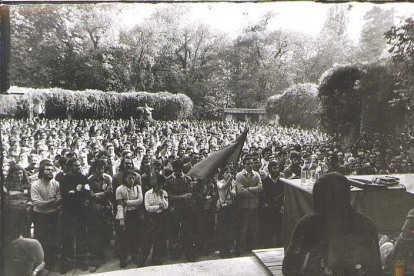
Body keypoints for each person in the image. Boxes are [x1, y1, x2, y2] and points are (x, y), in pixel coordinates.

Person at [282, 173, 383, 276]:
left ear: (317, 197)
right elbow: (375, 270)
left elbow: (289, 268)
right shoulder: (366, 224)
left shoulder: (307, 223)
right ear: (347, 195)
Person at [59, 157, 92, 274]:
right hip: (68, 213)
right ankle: (67, 263)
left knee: (81, 237)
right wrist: (77, 192)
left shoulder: (83, 178)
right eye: (76, 165)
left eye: (79, 165)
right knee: (68, 238)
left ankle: (81, 261)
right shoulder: (64, 179)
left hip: (81, 212)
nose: (78, 167)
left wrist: (75, 192)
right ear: (70, 167)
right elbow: (65, 194)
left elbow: (88, 192)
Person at [31, 162, 61, 271]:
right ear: (41, 171)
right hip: (40, 215)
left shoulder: (56, 183)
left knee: (53, 238)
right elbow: (38, 204)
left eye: (51, 170)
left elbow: (59, 199)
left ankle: (51, 262)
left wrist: (48, 202)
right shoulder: (35, 185)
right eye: (47, 169)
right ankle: (42, 263)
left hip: (53, 214)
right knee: (41, 239)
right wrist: (52, 201)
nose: (50, 171)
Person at [165, 159, 197, 262]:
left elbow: (190, 195)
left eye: (179, 170)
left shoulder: (187, 179)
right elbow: (169, 196)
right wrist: (182, 196)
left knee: (187, 231)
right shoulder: (168, 180)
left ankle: (189, 253)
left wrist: (177, 197)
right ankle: (174, 253)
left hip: (186, 209)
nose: (178, 172)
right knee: (174, 231)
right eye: (176, 170)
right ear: (173, 169)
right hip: (173, 210)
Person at [2, 204, 45, 276]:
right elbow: (40, 261)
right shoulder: (33, 244)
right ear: (24, 223)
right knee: (42, 264)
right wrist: (35, 272)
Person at [87, 159, 113, 272]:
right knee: (95, 233)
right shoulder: (89, 180)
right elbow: (90, 195)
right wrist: (102, 194)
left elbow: (110, 191)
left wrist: (99, 195)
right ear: (94, 169)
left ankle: (103, 253)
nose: (101, 171)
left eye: (102, 168)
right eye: (99, 168)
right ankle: (97, 257)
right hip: (94, 209)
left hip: (106, 208)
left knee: (105, 230)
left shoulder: (107, 178)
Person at [235, 156, 263, 256]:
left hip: (254, 205)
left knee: (253, 227)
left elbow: (260, 188)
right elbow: (241, 191)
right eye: (248, 164)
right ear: (243, 165)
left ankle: (250, 248)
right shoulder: (239, 176)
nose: (250, 165)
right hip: (244, 206)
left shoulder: (256, 174)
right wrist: (254, 192)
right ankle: (240, 249)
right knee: (243, 228)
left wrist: (249, 188)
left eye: (251, 163)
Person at [115, 169, 143, 268]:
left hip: (135, 214)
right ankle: (123, 259)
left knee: (135, 236)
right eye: (129, 178)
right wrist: (121, 220)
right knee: (123, 238)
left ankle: (135, 256)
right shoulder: (119, 189)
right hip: (125, 215)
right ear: (125, 179)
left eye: (133, 178)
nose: (131, 180)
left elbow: (140, 201)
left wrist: (126, 202)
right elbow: (119, 205)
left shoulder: (138, 188)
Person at [142, 173, 169, 265]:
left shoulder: (164, 193)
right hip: (151, 218)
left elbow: (166, 206)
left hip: (161, 218)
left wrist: (161, 197)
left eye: (161, 184)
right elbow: (148, 208)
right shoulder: (147, 194)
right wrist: (158, 207)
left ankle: (156, 257)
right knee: (147, 239)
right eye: (158, 184)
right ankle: (143, 258)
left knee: (159, 239)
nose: (160, 186)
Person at [259, 160, 284, 248]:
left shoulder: (282, 181)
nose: (277, 170)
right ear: (270, 169)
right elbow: (262, 194)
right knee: (268, 228)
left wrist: (282, 205)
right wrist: (265, 203)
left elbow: (284, 194)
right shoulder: (265, 181)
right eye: (274, 168)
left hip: (279, 208)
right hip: (268, 208)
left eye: (278, 168)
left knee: (278, 227)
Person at [216, 167, 237, 257]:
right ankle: (222, 250)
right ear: (222, 174)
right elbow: (223, 187)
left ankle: (228, 249)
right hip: (223, 207)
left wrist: (232, 192)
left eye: (229, 172)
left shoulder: (233, 182)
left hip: (230, 206)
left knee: (230, 228)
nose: (228, 174)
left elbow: (234, 194)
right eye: (226, 172)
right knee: (222, 229)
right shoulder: (219, 182)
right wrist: (229, 180)